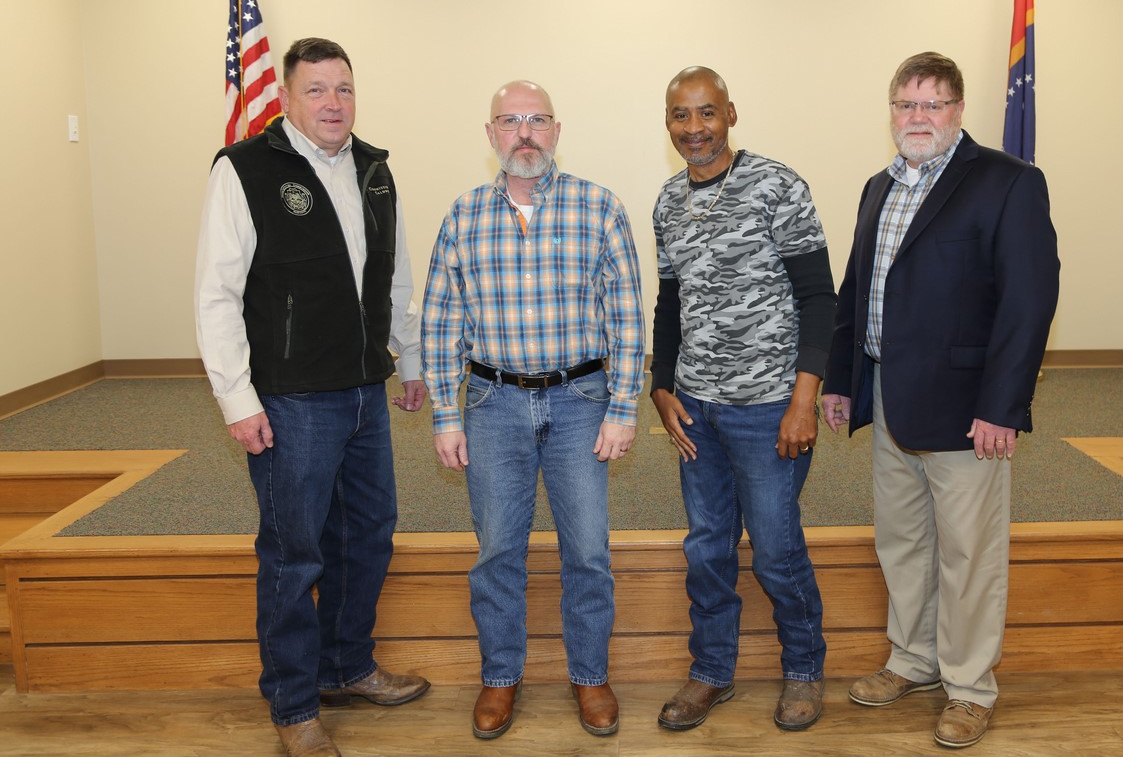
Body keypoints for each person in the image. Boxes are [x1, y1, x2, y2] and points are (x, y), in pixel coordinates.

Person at [194, 37, 431, 757]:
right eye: (317, 90)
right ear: (288, 98)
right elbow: (216, 292)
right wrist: (238, 399)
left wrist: (410, 357)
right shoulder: (244, 169)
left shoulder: (375, 170)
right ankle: (294, 704)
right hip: (291, 400)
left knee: (367, 537)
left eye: (344, 89)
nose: (334, 103)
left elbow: (394, 274)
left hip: (364, 391)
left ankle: (347, 667)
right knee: (294, 554)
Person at [820, 51, 1060, 749]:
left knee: (968, 553)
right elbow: (856, 290)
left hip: (966, 410)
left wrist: (1003, 406)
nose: (917, 117)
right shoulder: (879, 186)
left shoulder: (1008, 182)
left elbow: (1029, 301)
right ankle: (913, 659)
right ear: (891, 112)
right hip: (890, 396)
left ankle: (970, 686)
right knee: (902, 541)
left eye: (933, 104)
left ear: (957, 110)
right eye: (906, 104)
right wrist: (842, 379)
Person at [421, 80, 645, 740]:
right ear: (491, 134)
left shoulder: (599, 207)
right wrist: (446, 414)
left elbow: (627, 316)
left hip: (581, 402)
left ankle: (590, 674)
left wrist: (624, 406)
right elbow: (442, 321)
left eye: (537, 119)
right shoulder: (463, 216)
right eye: (510, 120)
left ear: (557, 130)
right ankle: (500, 676)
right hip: (493, 403)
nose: (525, 133)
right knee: (497, 551)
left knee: (588, 551)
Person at [650, 66, 835, 733]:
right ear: (667, 123)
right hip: (696, 409)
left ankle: (804, 667)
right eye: (680, 114)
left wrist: (803, 400)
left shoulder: (778, 185)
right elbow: (670, 302)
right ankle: (711, 669)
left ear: (730, 113)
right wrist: (660, 386)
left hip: (769, 408)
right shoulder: (668, 201)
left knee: (777, 550)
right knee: (707, 549)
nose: (694, 127)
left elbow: (819, 298)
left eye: (707, 112)